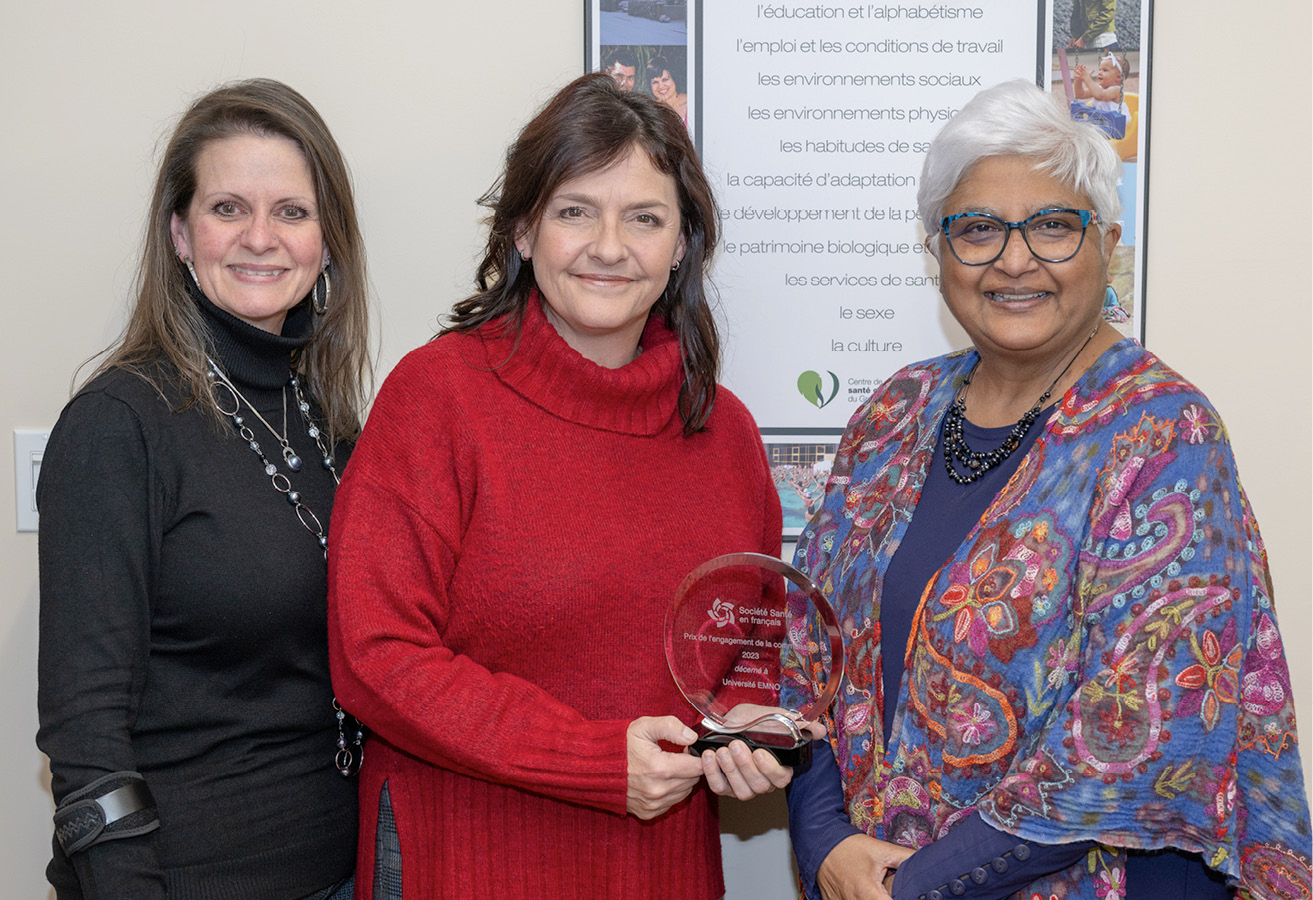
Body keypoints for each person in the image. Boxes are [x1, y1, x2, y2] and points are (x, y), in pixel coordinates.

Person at [782, 80, 1312, 900]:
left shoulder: (1161, 432)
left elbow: (1138, 739)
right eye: (977, 230)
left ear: (1106, 243)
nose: (1014, 259)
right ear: (937, 252)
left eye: (1053, 227)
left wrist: (914, 888)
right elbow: (807, 647)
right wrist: (824, 839)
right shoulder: (893, 412)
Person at [327, 72, 800, 900]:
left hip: (661, 869)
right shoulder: (437, 397)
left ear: (683, 243)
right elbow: (375, 656)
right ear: (521, 231)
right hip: (462, 861)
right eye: (575, 210)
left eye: (645, 218)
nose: (608, 247)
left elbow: (750, 640)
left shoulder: (727, 435)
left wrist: (750, 723)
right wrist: (588, 760)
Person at [37, 78, 371, 900]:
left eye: (291, 211)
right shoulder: (119, 425)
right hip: (182, 878)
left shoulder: (332, 424)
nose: (261, 238)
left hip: (341, 870)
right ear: (181, 233)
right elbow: (84, 735)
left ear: (326, 242)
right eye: (229, 208)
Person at [1073, 52, 1130, 117]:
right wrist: (1078, 80)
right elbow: (1080, 95)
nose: (1100, 73)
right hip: (1098, 122)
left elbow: (1101, 95)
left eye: (1105, 70)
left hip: (1113, 124)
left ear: (1119, 77)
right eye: (1100, 70)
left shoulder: (1116, 90)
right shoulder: (1098, 89)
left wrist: (1087, 79)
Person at [647, 54, 688, 124]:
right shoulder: (649, 109)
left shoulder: (691, 103)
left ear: (674, 79)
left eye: (665, 79)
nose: (661, 86)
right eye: (655, 82)